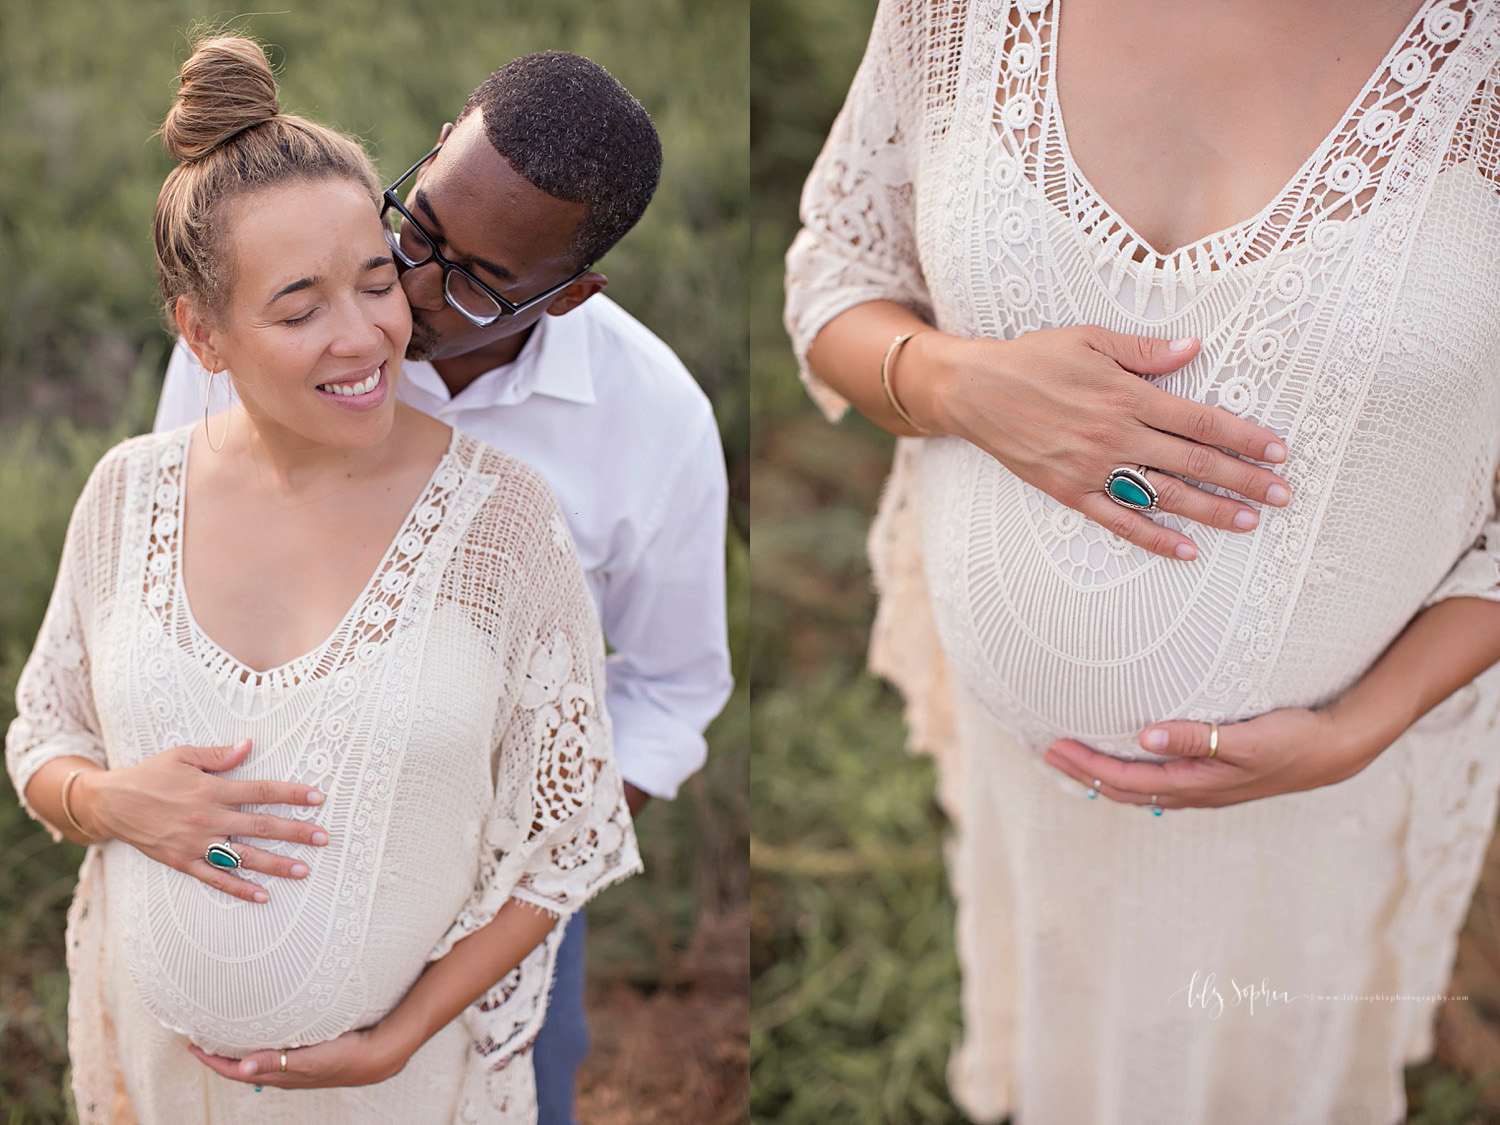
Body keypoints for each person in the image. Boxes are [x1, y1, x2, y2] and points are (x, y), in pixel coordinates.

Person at [785, 0, 1500, 1120]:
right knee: (1073, 1041)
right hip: (1038, 784)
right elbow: (836, 273)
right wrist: (957, 384)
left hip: (1326, 789)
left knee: (1264, 1065)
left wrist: (1355, 732)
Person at [5, 35, 639, 1123]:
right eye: (299, 309)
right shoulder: (127, 495)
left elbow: (567, 839)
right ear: (202, 333)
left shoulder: (505, 526)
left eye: (377, 280)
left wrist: (404, 1033)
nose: (365, 338)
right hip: (167, 1086)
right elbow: (41, 736)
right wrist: (114, 803)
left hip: (399, 1093)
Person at [150, 50, 733, 1123]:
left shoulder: (655, 424)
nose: (406, 294)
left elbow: (671, 692)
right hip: (251, 862)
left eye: (472, 279)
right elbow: (168, 584)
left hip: (486, 914)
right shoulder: (261, 318)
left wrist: (520, 872)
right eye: (413, 230)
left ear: (571, 293)